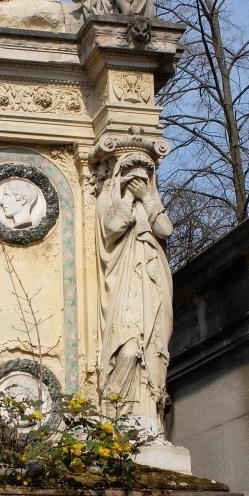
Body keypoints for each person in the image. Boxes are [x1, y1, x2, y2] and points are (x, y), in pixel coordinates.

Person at [96, 154, 173, 422]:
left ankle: (146, 414)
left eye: (145, 179)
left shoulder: (151, 206)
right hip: (123, 282)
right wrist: (128, 196)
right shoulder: (110, 202)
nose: (140, 183)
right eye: (134, 178)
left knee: (151, 346)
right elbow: (112, 227)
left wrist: (148, 198)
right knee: (128, 348)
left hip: (152, 282)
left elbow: (165, 229)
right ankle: (113, 412)